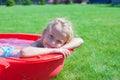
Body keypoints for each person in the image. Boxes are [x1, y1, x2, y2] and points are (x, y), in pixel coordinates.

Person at [0, 18, 84, 58]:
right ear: (44, 33)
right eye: (51, 36)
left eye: (59, 41)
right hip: (5, 52)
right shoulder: (39, 43)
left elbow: (80, 40)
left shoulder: (58, 46)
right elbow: (23, 52)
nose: (53, 43)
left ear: (64, 42)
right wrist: (54, 50)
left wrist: (62, 48)